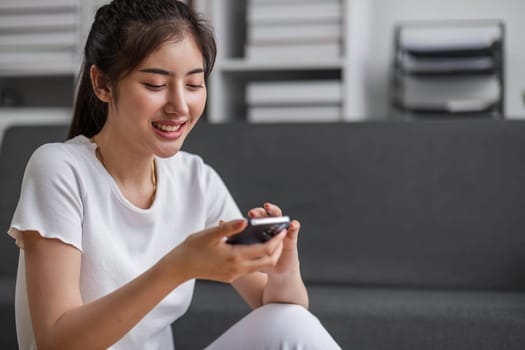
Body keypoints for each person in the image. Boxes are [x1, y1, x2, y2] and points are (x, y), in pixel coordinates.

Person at [7, 1, 341, 349]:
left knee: (290, 321)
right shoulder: (59, 170)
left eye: (194, 84)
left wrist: (283, 268)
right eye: (155, 84)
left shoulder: (196, 179)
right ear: (102, 84)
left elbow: (278, 310)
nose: (180, 106)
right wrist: (177, 267)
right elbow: (56, 342)